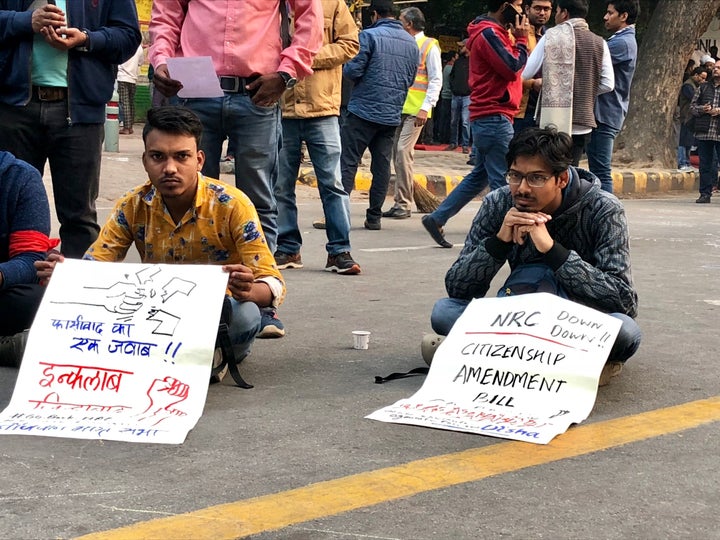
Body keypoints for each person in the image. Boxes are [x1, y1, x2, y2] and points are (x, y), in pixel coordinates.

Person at [35, 106, 286, 375]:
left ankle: (211, 355)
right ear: (144, 160)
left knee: (245, 313)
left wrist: (249, 290)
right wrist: (65, 276)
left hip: (216, 317)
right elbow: (96, 265)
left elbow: (272, 283)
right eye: (158, 157)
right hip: (155, 314)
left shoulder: (233, 204)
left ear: (199, 160)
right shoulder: (132, 204)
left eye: (182, 157)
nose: (169, 168)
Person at [148, 0, 322, 338]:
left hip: (257, 92)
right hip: (193, 91)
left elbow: (310, 19)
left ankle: (261, 302)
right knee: (188, 199)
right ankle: (189, 298)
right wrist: (161, 61)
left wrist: (286, 74)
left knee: (257, 201)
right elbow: (166, 15)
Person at [422, 127, 641, 386]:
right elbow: (458, 287)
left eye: (536, 178)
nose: (522, 189)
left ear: (561, 179)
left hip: (575, 323)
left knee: (624, 330)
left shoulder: (603, 209)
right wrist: (498, 243)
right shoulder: (498, 203)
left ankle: (478, 353)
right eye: (515, 176)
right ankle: (571, 366)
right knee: (443, 312)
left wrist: (553, 251)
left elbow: (623, 300)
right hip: (519, 314)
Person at [0, 0, 142, 259]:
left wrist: (87, 39)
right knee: (7, 210)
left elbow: (129, 36)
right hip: (13, 109)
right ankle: (13, 290)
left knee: (80, 218)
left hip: (81, 112)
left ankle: (78, 293)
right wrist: (26, 21)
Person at [421, 0, 530, 248]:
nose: (521, 11)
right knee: (501, 182)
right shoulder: (490, 34)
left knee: (480, 175)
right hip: (494, 116)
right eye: (518, 5)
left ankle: (437, 217)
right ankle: (503, 234)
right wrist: (522, 40)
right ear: (505, 6)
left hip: (488, 115)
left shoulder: (493, 33)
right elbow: (512, 67)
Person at [274, 0, 362, 275]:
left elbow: (350, 44)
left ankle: (339, 251)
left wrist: (305, 56)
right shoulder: (270, 6)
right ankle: (288, 247)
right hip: (281, 107)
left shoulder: (333, 4)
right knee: (280, 185)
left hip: (322, 108)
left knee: (332, 184)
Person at [340, 0, 418, 231]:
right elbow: (411, 79)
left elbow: (352, 70)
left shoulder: (369, 36)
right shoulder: (411, 43)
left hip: (362, 111)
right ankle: (374, 216)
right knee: (382, 167)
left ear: (374, 14)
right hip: (391, 115)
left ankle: (339, 214)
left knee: (348, 163)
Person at [522, 0, 614, 166]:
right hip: (582, 121)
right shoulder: (600, 42)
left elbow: (526, 72)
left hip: (551, 120)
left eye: (556, 11)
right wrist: (583, 91)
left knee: (549, 169)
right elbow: (608, 83)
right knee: (571, 169)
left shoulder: (551, 36)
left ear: (564, 13)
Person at [382, 7, 442, 220]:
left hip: (416, 110)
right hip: (398, 107)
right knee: (398, 156)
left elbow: (436, 80)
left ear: (408, 24)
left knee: (402, 152)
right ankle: (402, 199)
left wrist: (426, 107)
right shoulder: (403, 44)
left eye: (400, 20)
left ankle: (404, 204)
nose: (398, 23)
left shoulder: (429, 46)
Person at [0, 152, 58, 367]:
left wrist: (2, 275)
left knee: (37, 301)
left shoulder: (20, 177)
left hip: (4, 287)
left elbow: (30, 260)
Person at [586, 0, 639, 194]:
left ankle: (608, 215)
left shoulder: (621, 43)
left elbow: (589, 61)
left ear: (623, 16)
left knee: (600, 171)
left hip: (605, 114)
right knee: (597, 170)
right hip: (606, 113)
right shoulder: (622, 40)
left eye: (610, 13)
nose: (605, 17)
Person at [513, 0, 552, 135]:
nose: (542, 13)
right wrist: (532, 83)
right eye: (538, 8)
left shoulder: (551, 36)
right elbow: (509, 70)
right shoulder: (516, 33)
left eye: (546, 9)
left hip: (543, 109)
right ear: (528, 9)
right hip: (519, 109)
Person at [690, 63, 720, 204]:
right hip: (704, 133)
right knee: (705, 165)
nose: (715, 69)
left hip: (718, 132)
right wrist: (703, 109)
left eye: (719, 68)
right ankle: (705, 193)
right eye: (714, 67)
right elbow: (692, 107)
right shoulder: (703, 87)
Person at [677, 67, 706, 172]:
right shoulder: (688, 86)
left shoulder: (695, 86)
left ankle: (687, 162)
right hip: (686, 117)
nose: (702, 81)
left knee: (689, 141)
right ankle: (682, 162)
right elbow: (695, 99)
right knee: (683, 141)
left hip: (691, 118)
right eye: (701, 78)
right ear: (696, 75)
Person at [446, 39, 471, 153]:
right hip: (456, 95)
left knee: (465, 121)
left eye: (462, 46)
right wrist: (453, 88)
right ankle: (453, 143)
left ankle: (465, 144)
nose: (460, 48)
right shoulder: (458, 62)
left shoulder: (473, 62)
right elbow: (452, 76)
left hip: (467, 96)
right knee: (453, 121)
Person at [118, 44, 145, 135]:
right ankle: (130, 127)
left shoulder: (122, 44)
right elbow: (140, 62)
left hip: (122, 77)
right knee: (130, 102)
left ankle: (126, 127)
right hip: (133, 78)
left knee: (124, 103)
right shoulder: (139, 47)